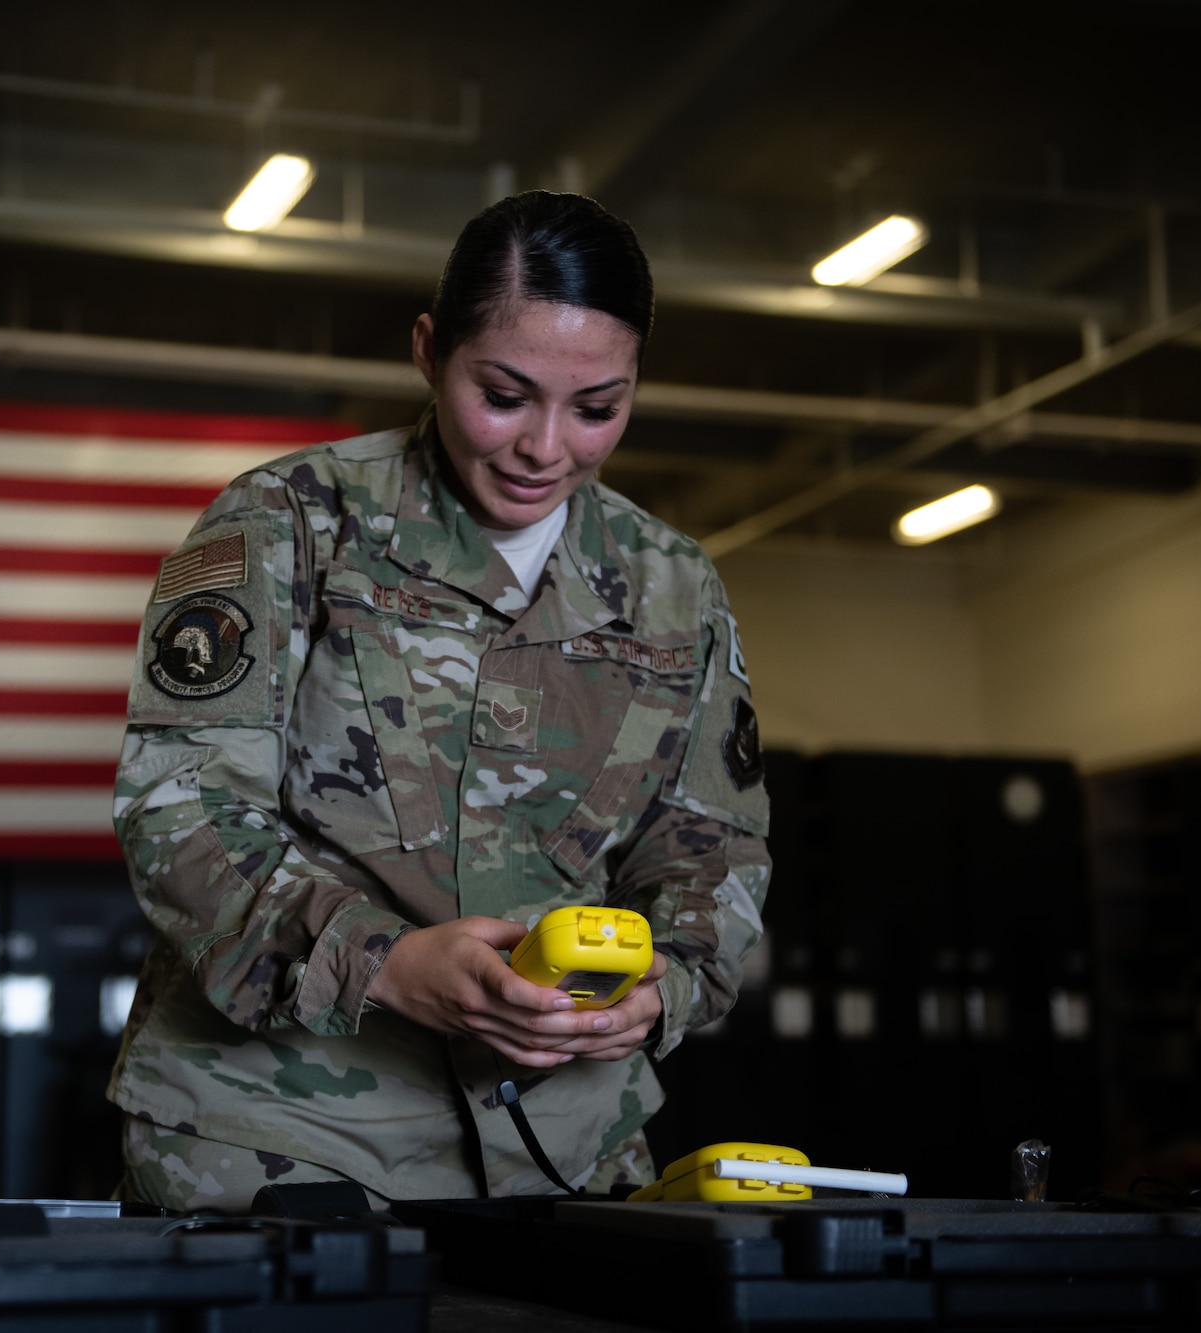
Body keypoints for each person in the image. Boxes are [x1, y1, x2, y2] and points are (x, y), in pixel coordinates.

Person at [108, 191, 771, 1211]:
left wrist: (659, 991)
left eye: (597, 407)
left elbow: (710, 850)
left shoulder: (671, 584)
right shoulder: (285, 523)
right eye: (502, 394)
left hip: (564, 1145)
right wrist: (385, 964)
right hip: (283, 1131)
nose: (546, 447)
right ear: (428, 351)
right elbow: (181, 810)